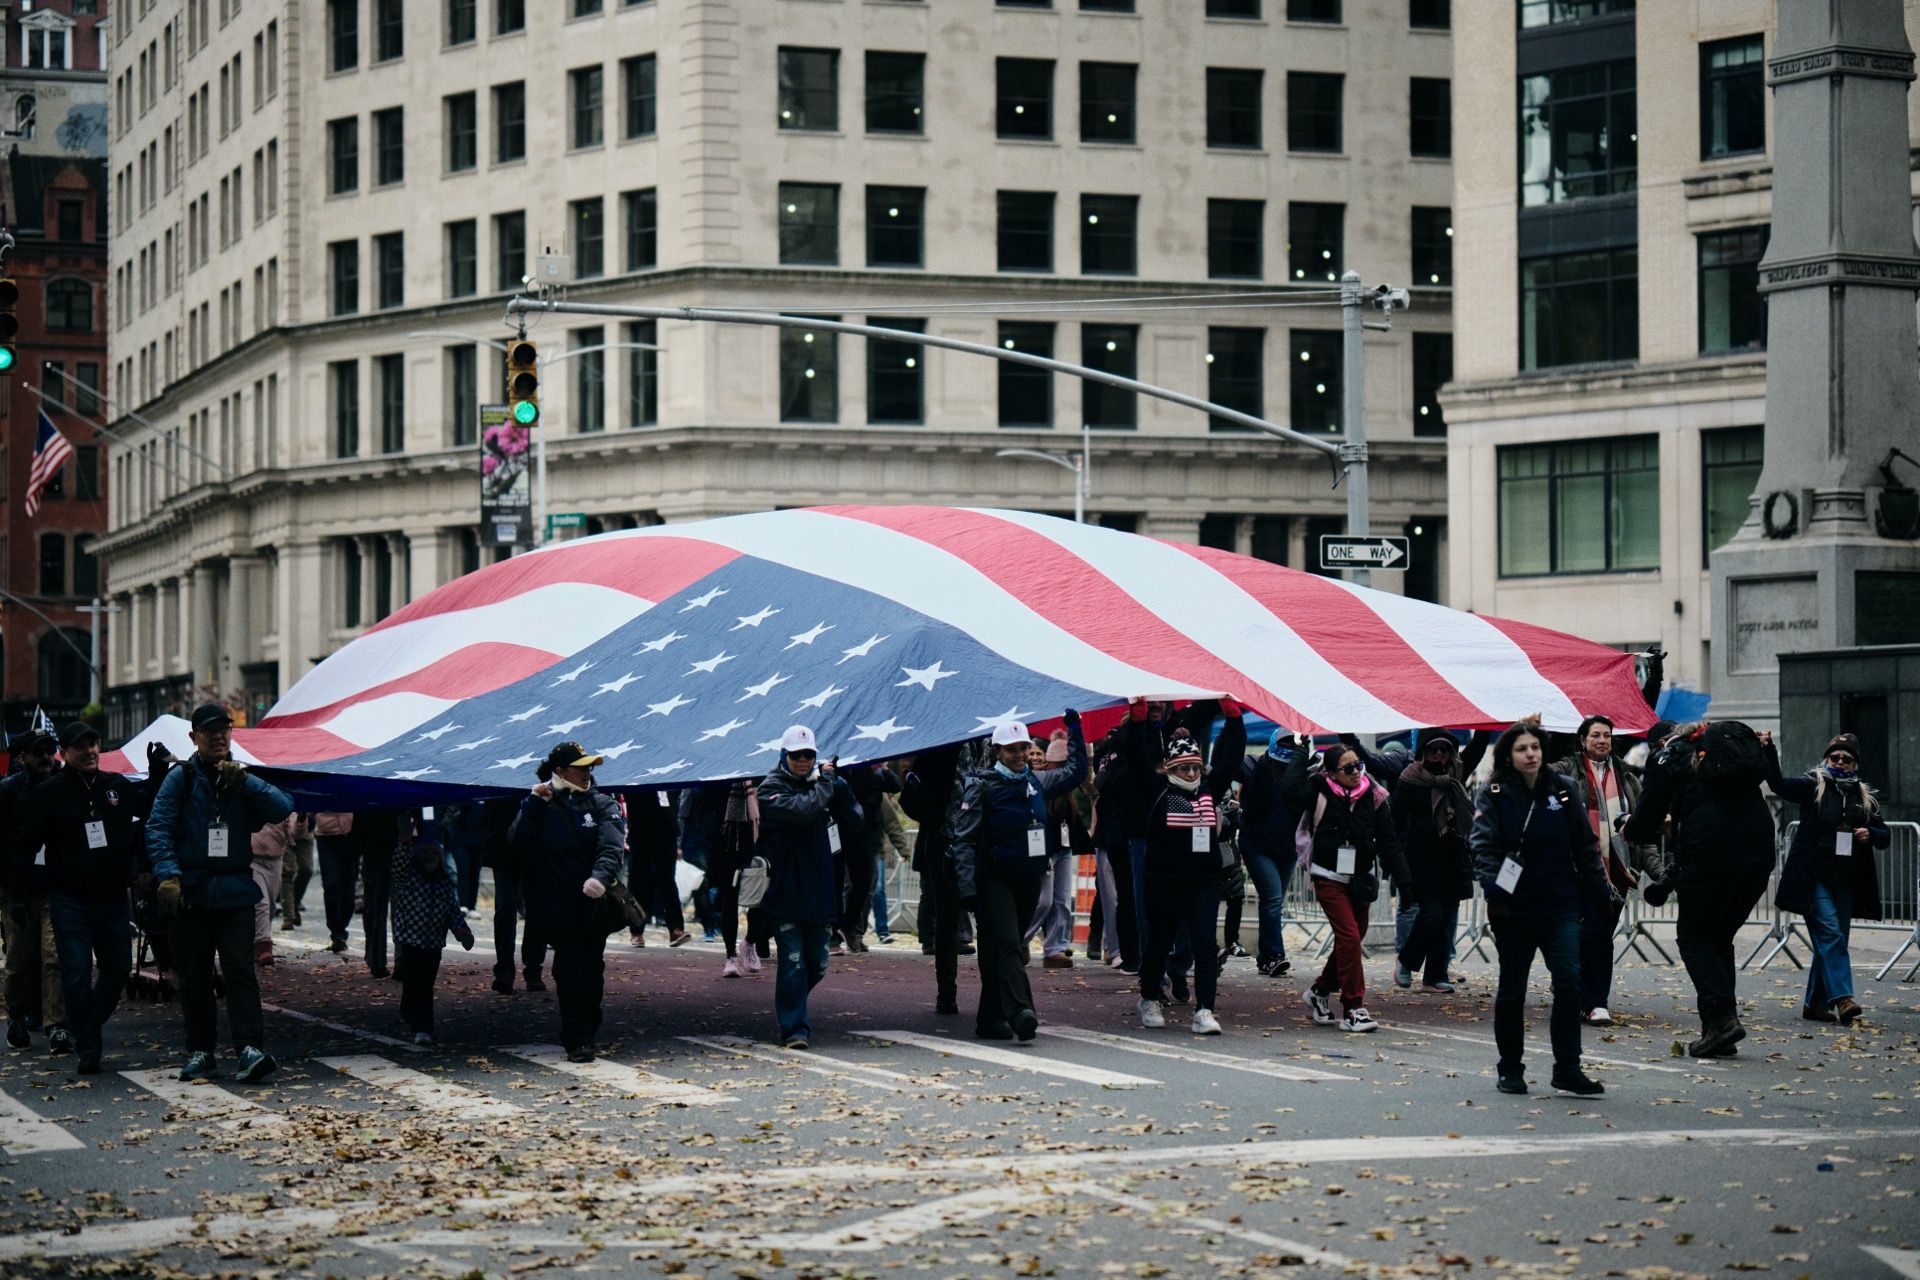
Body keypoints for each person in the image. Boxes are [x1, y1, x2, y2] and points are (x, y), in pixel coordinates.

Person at [146, 703, 294, 1083]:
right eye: (209, 731)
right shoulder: (180, 779)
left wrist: (246, 781)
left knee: (240, 973)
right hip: (191, 893)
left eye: (224, 730)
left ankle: (249, 1047)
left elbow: (283, 807)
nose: (218, 737)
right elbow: (158, 827)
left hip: (235, 893)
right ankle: (201, 1050)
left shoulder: (242, 778)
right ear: (193, 737)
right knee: (194, 976)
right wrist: (168, 876)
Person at [1470, 720, 1610, 1097]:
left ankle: (1568, 1068)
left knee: (1568, 982)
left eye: (1535, 747)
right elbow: (1483, 849)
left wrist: (1601, 891)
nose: (1530, 754)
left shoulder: (1563, 792)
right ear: (1508, 755)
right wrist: (1493, 893)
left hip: (1560, 905)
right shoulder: (1494, 793)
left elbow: (1585, 845)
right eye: (1522, 749)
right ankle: (1510, 1068)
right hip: (1513, 909)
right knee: (1513, 989)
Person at [1626, 720, 1776, 1058]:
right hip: (1758, 852)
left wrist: (1631, 829)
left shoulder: (1670, 757)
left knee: (1694, 937)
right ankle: (1718, 1027)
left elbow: (1647, 815)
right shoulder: (1728, 753)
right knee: (1719, 937)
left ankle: (1721, 1021)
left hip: (1709, 856)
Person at [950, 711, 1087, 1044]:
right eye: (1011, 750)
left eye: (1023, 748)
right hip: (993, 879)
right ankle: (1022, 1012)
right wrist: (967, 886)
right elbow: (963, 838)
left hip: (1029, 879)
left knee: (997, 951)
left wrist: (1076, 729)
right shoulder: (981, 785)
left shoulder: (1037, 782)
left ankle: (989, 1019)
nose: (1019, 755)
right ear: (998, 752)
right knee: (1010, 944)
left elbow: (1076, 772)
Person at [15, 722, 138, 1074]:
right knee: (75, 974)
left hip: (113, 899)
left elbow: (149, 808)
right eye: (80, 746)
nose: (89, 751)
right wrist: (20, 895)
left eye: (94, 743)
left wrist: (159, 770)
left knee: (117, 971)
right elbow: (25, 845)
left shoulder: (116, 786)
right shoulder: (50, 792)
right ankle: (88, 1047)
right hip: (70, 900)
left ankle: (87, 1023)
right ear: (64, 753)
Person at [509, 741, 624, 1063]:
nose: (588, 773)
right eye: (581, 767)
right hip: (555, 906)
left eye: (590, 767)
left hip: (594, 904)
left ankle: (589, 1024)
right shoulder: (540, 803)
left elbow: (612, 847)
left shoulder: (602, 804)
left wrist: (599, 878)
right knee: (569, 969)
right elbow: (516, 843)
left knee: (592, 969)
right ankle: (576, 1038)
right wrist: (532, 803)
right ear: (559, 771)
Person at [1135, 701, 1246, 1035]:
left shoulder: (1209, 793)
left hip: (1203, 883)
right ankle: (1150, 998)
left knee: (1205, 947)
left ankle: (1205, 1010)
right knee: (1159, 943)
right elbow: (1137, 758)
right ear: (1170, 768)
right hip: (1164, 883)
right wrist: (1139, 720)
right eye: (1184, 769)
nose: (1192, 774)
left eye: (1196, 768)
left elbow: (1232, 755)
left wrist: (1233, 717)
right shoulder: (1156, 792)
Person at [1283, 739, 1407, 1033]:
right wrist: (1301, 752)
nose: (1356, 772)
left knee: (1353, 937)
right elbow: (1287, 790)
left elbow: (1389, 841)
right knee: (1349, 936)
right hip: (1327, 874)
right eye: (1348, 768)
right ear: (1332, 773)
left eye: (1359, 766)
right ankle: (1354, 1008)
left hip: (1359, 879)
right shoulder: (1318, 792)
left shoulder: (1373, 795)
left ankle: (1319, 991)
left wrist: (1405, 881)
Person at [1766, 733, 1890, 1026]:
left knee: (1833, 940)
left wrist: (1870, 834)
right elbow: (1779, 785)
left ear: (1854, 764)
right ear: (1826, 758)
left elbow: (1885, 835)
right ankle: (1843, 998)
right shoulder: (1814, 784)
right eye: (1834, 757)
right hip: (1814, 878)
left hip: (1846, 882)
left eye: (1846, 759)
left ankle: (1815, 1004)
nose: (1839, 762)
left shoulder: (1863, 795)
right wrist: (1769, 750)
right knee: (1831, 935)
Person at [1549, 714, 1663, 1025]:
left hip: (1617, 872)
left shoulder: (1628, 778)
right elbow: (1536, 778)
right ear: (1582, 741)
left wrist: (1658, 872)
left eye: (1607, 736)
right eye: (1595, 735)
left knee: (1601, 936)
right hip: (1577, 869)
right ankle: (1580, 994)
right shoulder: (1565, 770)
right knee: (1584, 935)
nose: (1602, 741)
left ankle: (1594, 1001)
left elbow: (1642, 834)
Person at [755, 725, 858, 1049]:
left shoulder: (825, 786)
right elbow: (801, 811)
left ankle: (793, 1002)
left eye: (809, 755)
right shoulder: (769, 789)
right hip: (784, 890)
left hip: (820, 887)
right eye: (797, 755)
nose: (803, 761)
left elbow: (855, 820)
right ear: (784, 756)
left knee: (818, 962)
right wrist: (826, 782)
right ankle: (794, 1028)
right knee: (793, 961)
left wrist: (840, 786)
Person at [1391, 730, 1474, 993]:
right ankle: (1406, 960)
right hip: (1419, 855)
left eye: (1444, 749)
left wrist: (1486, 722)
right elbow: (1395, 820)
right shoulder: (1410, 778)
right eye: (1433, 750)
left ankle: (1435, 975)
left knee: (1448, 915)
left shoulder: (1456, 774)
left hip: (1451, 854)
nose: (1439, 754)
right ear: (1423, 752)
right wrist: (1396, 859)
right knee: (1432, 911)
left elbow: (1479, 746)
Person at [2, 730, 67, 1051]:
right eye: (38, 751)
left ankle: (55, 1024)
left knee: (54, 956)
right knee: (17, 960)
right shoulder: (8, 792)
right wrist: (12, 891)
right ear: (23, 757)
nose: (46, 756)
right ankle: (16, 1013)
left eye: (50, 749)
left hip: (56, 888)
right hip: (19, 890)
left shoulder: (65, 785)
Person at [390, 809, 476, 1046]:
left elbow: (453, 913)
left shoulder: (444, 885)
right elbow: (399, 861)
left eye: (434, 854)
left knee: (425, 985)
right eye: (424, 853)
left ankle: (423, 1028)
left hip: (433, 944)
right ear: (416, 857)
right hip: (410, 940)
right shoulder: (407, 878)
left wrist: (462, 932)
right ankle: (409, 1010)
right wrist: (405, 838)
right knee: (412, 981)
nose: (430, 857)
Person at [1237, 727, 1313, 979]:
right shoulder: (1254, 766)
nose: (1290, 746)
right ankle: (1274, 956)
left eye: (1295, 744)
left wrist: (1305, 753)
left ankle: (1265, 958)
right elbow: (1230, 760)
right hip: (1257, 846)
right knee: (1272, 900)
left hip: (1286, 848)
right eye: (1285, 742)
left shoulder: (1303, 774)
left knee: (1273, 903)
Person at [1025, 734, 1087, 969]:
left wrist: (1076, 744)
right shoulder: (1034, 781)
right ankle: (1019, 940)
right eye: (1031, 753)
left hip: (1063, 846)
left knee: (1061, 901)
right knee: (1044, 901)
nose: (1035, 757)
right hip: (1043, 848)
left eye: (1039, 753)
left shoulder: (1062, 782)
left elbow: (1081, 774)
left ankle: (1055, 948)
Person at [482, 794, 547, 993]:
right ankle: (504, 970)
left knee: (536, 909)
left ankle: (533, 970)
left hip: (536, 849)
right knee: (505, 907)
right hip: (504, 846)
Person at [250, 813, 309, 968]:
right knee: (260, 903)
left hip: (275, 859)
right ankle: (264, 946)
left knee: (269, 907)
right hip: (252, 859)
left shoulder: (282, 800)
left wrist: (301, 819)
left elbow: (295, 834)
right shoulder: (252, 793)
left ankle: (255, 943)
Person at [313, 811, 358, 953]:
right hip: (326, 836)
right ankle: (337, 933)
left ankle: (341, 928)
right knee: (331, 885)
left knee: (348, 889)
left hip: (350, 836)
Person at [278, 811, 316, 930]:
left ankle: (294, 903)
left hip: (306, 830)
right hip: (286, 829)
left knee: (307, 870)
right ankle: (288, 917)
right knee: (287, 872)